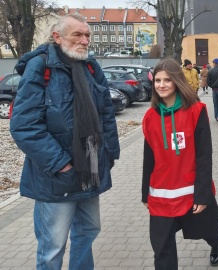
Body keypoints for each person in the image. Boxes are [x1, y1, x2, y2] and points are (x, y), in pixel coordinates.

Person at [9, 13, 120, 269]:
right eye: (77, 35)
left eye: (87, 35)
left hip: (90, 168)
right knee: (52, 247)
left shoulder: (90, 66)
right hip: (57, 176)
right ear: (57, 37)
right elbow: (24, 126)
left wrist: (109, 155)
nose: (85, 41)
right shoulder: (40, 66)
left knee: (88, 231)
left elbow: (105, 113)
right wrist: (62, 165)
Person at [142, 58, 218, 269]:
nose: (161, 85)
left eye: (167, 80)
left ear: (177, 81)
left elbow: (204, 155)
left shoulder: (196, 111)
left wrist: (203, 194)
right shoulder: (150, 117)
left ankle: (217, 242)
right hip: (161, 194)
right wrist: (145, 193)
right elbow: (148, 157)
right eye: (157, 80)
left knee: (208, 231)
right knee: (162, 249)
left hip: (191, 190)